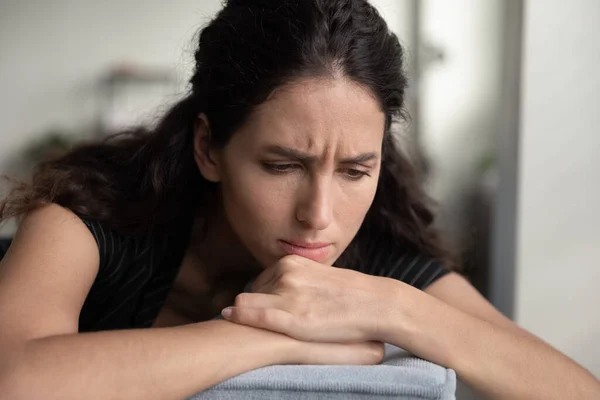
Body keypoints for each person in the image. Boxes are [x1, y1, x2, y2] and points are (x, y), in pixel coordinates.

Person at [0, 0, 598, 398]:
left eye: (356, 170)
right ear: (209, 147)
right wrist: (265, 333)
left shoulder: (377, 247)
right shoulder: (87, 217)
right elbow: (14, 377)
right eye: (283, 165)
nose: (319, 216)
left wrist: (394, 308)